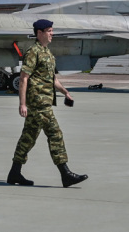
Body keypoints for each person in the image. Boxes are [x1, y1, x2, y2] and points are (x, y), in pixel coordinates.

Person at [7, 18, 87, 188]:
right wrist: (22, 104)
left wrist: (65, 92)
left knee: (28, 137)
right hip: (38, 102)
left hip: (44, 101)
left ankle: (15, 172)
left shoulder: (47, 53)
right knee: (55, 133)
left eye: (52, 30)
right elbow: (23, 78)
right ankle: (65, 174)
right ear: (39, 33)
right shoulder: (33, 52)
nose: (52, 34)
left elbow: (52, 79)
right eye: (49, 31)